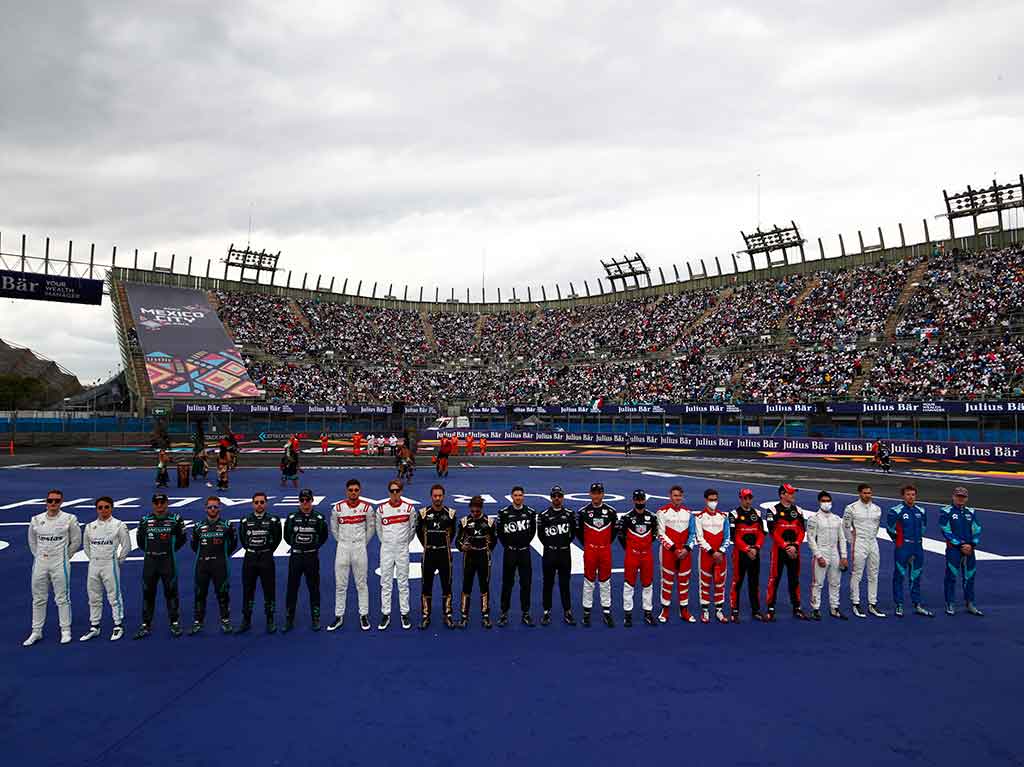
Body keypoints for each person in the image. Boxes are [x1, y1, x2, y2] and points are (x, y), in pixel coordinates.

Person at [24, 489, 81, 647]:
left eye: (56, 501)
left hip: (59, 562)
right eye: (50, 500)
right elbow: (32, 541)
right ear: (46, 502)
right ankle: (36, 631)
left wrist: (65, 556)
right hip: (40, 562)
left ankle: (65, 630)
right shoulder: (36, 519)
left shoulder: (69, 519)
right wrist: (39, 556)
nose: (53, 503)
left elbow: (76, 541)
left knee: (62, 597)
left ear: (61, 502)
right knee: (38, 598)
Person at [134, 493, 188, 639]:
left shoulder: (175, 520)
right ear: (153, 504)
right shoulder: (145, 521)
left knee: (171, 592)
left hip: (167, 561)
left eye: (162, 502)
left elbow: (182, 539)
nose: (159, 505)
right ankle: (146, 624)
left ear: (167, 503)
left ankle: (174, 622)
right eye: (156, 503)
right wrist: (152, 552)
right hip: (150, 561)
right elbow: (140, 541)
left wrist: (169, 551)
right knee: (148, 592)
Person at [80, 496, 130, 642]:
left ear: (111, 508)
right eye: (100, 507)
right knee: (93, 597)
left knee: (114, 596)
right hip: (94, 565)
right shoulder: (90, 527)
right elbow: (86, 546)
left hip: (110, 564)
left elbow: (126, 546)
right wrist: (94, 559)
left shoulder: (119, 525)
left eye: (106, 507)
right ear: (96, 509)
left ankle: (118, 625)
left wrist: (118, 560)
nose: (103, 510)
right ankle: (94, 626)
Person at [328, 479, 376, 632]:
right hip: (342, 548)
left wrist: (361, 543)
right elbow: (334, 529)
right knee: (341, 585)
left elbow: (371, 529)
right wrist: (343, 542)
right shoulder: (338, 508)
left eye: (356, 490)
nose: (353, 492)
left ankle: (363, 615)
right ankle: (339, 615)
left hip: (359, 548)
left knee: (361, 584)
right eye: (351, 490)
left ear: (360, 491)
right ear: (346, 491)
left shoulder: (367, 508)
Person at [189, 496, 237, 635]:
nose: (212, 509)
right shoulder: (198, 527)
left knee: (222, 593)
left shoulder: (227, 526)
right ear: (206, 508)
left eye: (215, 506)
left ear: (219, 508)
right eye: (210, 507)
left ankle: (225, 620)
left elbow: (233, 544)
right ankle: (198, 621)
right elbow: (194, 546)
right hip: (202, 564)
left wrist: (222, 555)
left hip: (220, 564)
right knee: (200, 593)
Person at [283, 489, 330, 632]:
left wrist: (313, 546)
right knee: (292, 588)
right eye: (302, 500)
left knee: (313, 588)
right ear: (299, 501)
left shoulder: (319, 518)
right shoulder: (291, 517)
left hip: (311, 557)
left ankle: (316, 618)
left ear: (312, 500)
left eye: (307, 500)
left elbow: (323, 536)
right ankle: (289, 618)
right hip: (296, 556)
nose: (305, 503)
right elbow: (287, 536)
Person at [886, 484, 934, 618]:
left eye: (913, 494)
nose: (911, 497)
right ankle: (899, 604)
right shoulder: (895, 511)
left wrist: (916, 541)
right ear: (903, 496)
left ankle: (917, 604)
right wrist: (901, 542)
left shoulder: (921, 511)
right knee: (899, 576)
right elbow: (890, 529)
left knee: (916, 577)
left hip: (918, 547)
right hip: (903, 547)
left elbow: (923, 527)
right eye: (908, 494)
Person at [238, 491, 282, 633]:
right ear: (252, 504)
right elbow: (243, 540)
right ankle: (246, 620)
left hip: (266, 558)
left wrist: (267, 551)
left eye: (262, 502)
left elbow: (277, 539)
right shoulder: (245, 520)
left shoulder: (273, 520)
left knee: (269, 590)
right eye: (256, 502)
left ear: (266, 504)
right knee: (248, 590)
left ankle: (270, 619)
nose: (259, 505)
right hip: (250, 558)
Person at [376, 480, 418, 630]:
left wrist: (402, 543)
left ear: (401, 491)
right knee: (385, 582)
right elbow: (378, 530)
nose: (395, 493)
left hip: (402, 549)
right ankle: (385, 614)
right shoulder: (381, 509)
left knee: (403, 582)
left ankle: (404, 613)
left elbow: (412, 530)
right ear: (389, 492)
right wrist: (387, 543)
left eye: (397, 490)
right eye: (392, 491)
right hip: (386, 549)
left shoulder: (409, 509)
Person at [765, 483, 809, 621]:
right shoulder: (772, 510)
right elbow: (773, 531)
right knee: (774, 579)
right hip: (779, 550)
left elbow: (802, 531)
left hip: (795, 550)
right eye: (790, 493)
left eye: (793, 493)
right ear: (782, 495)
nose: (793, 495)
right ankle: (770, 608)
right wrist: (785, 546)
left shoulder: (799, 510)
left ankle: (797, 607)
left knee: (794, 579)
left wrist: (795, 545)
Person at [416, 484, 458, 629]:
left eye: (440, 495)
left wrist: (444, 545)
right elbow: (419, 533)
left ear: (443, 496)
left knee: (447, 586)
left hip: (444, 554)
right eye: (435, 496)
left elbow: (452, 534)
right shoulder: (423, 513)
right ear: (431, 497)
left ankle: (448, 615)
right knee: (426, 586)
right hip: (428, 553)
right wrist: (427, 545)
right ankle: (426, 616)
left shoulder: (451, 513)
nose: (438, 498)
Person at [577, 482, 617, 627]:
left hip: (605, 550)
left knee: (605, 581)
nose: (596, 495)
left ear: (603, 494)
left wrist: (604, 544)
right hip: (590, 550)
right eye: (594, 492)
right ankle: (586, 612)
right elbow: (579, 533)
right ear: (590, 494)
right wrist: (588, 545)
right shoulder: (583, 512)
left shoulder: (611, 512)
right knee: (589, 580)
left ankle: (606, 611)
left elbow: (614, 533)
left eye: (599, 493)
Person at [843, 483, 886, 618]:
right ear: (859, 493)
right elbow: (845, 527)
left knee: (874, 573)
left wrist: (871, 537)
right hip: (859, 542)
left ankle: (872, 603)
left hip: (873, 542)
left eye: (869, 493)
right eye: (865, 493)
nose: (867, 495)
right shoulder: (851, 508)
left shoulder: (877, 509)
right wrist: (852, 541)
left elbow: (877, 526)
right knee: (857, 573)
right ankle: (856, 603)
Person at [939, 487, 983, 616]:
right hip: (954, 549)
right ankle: (950, 603)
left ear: (966, 498)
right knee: (951, 577)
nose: (960, 499)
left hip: (970, 550)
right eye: (958, 496)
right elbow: (945, 530)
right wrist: (961, 544)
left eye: (963, 497)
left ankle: (970, 603)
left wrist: (972, 544)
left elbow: (977, 529)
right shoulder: (946, 511)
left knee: (969, 577)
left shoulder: (971, 512)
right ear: (953, 496)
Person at [497, 486, 537, 627]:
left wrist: (524, 543)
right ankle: (504, 613)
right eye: (516, 495)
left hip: (525, 552)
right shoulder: (504, 513)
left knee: (526, 583)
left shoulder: (531, 513)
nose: (518, 497)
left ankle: (526, 613)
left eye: (520, 495)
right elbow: (500, 533)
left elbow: (532, 531)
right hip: (510, 552)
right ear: (511, 496)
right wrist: (508, 546)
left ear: (523, 496)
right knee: (507, 584)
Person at [656, 485, 696, 623]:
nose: (677, 498)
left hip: (685, 553)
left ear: (682, 497)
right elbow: (660, 534)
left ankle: (684, 610)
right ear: (670, 496)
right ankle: (665, 610)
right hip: (668, 553)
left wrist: (686, 549)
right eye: (675, 495)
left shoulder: (689, 513)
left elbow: (693, 534)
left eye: (679, 495)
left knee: (684, 582)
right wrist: (674, 549)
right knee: (666, 581)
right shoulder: (662, 512)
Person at [618, 489, 658, 627]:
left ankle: (648, 612)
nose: (640, 501)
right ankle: (628, 614)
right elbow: (621, 536)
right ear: (633, 500)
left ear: (645, 500)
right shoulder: (626, 518)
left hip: (647, 555)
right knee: (629, 584)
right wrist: (630, 550)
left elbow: (654, 535)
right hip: (632, 555)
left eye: (642, 499)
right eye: (637, 499)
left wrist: (643, 548)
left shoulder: (652, 517)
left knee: (648, 584)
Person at [806, 491, 849, 621]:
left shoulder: (836, 518)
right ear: (819, 502)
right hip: (822, 551)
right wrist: (818, 556)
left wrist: (844, 556)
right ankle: (815, 609)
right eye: (824, 501)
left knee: (835, 582)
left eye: (828, 500)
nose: (826, 503)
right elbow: (811, 538)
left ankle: (834, 608)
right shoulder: (814, 518)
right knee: (818, 583)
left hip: (835, 552)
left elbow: (842, 538)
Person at [456, 495, 497, 628]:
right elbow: (457, 541)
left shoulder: (489, 522)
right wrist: (462, 547)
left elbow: (494, 541)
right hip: (469, 556)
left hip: (483, 557)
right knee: (466, 586)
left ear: (481, 509)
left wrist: (487, 548)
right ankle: (463, 616)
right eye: (472, 511)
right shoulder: (464, 522)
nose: (474, 514)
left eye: (477, 511)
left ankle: (485, 615)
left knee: (484, 586)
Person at [538, 485, 576, 626]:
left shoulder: (570, 514)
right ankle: (546, 611)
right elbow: (541, 535)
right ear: (551, 497)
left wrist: (563, 544)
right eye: (554, 496)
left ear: (563, 497)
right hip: (549, 553)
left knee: (565, 584)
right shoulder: (544, 515)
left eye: (559, 496)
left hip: (565, 553)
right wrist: (551, 545)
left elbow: (572, 534)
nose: (557, 498)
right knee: (547, 584)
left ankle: (567, 611)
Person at [694, 488, 731, 624]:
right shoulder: (699, 518)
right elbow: (699, 538)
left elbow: (727, 537)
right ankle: (705, 610)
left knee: (720, 583)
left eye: (715, 500)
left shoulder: (723, 517)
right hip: (706, 556)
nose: (713, 502)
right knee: (704, 583)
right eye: (711, 500)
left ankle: (719, 610)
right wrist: (712, 552)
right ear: (706, 500)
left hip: (721, 556)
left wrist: (720, 551)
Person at [729, 488, 765, 623]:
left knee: (754, 582)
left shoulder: (757, 513)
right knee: (737, 582)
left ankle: (755, 610)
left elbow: (761, 533)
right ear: (740, 498)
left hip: (755, 554)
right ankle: (734, 611)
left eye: (750, 498)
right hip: (740, 554)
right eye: (745, 498)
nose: (748, 501)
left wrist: (756, 548)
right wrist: (746, 549)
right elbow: (734, 535)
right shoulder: (734, 514)